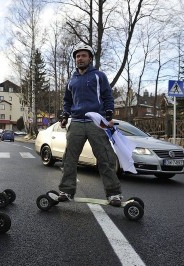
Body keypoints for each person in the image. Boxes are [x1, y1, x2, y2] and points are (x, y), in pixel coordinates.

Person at [57, 43, 122, 206]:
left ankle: (113, 193)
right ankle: (66, 190)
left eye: (83, 55)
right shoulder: (72, 80)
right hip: (77, 121)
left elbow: (108, 97)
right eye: (77, 56)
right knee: (69, 159)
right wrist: (65, 115)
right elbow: (67, 101)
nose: (80, 58)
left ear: (90, 58)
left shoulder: (99, 76)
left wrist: (108, 114)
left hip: (96, 121)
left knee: (105, 158)